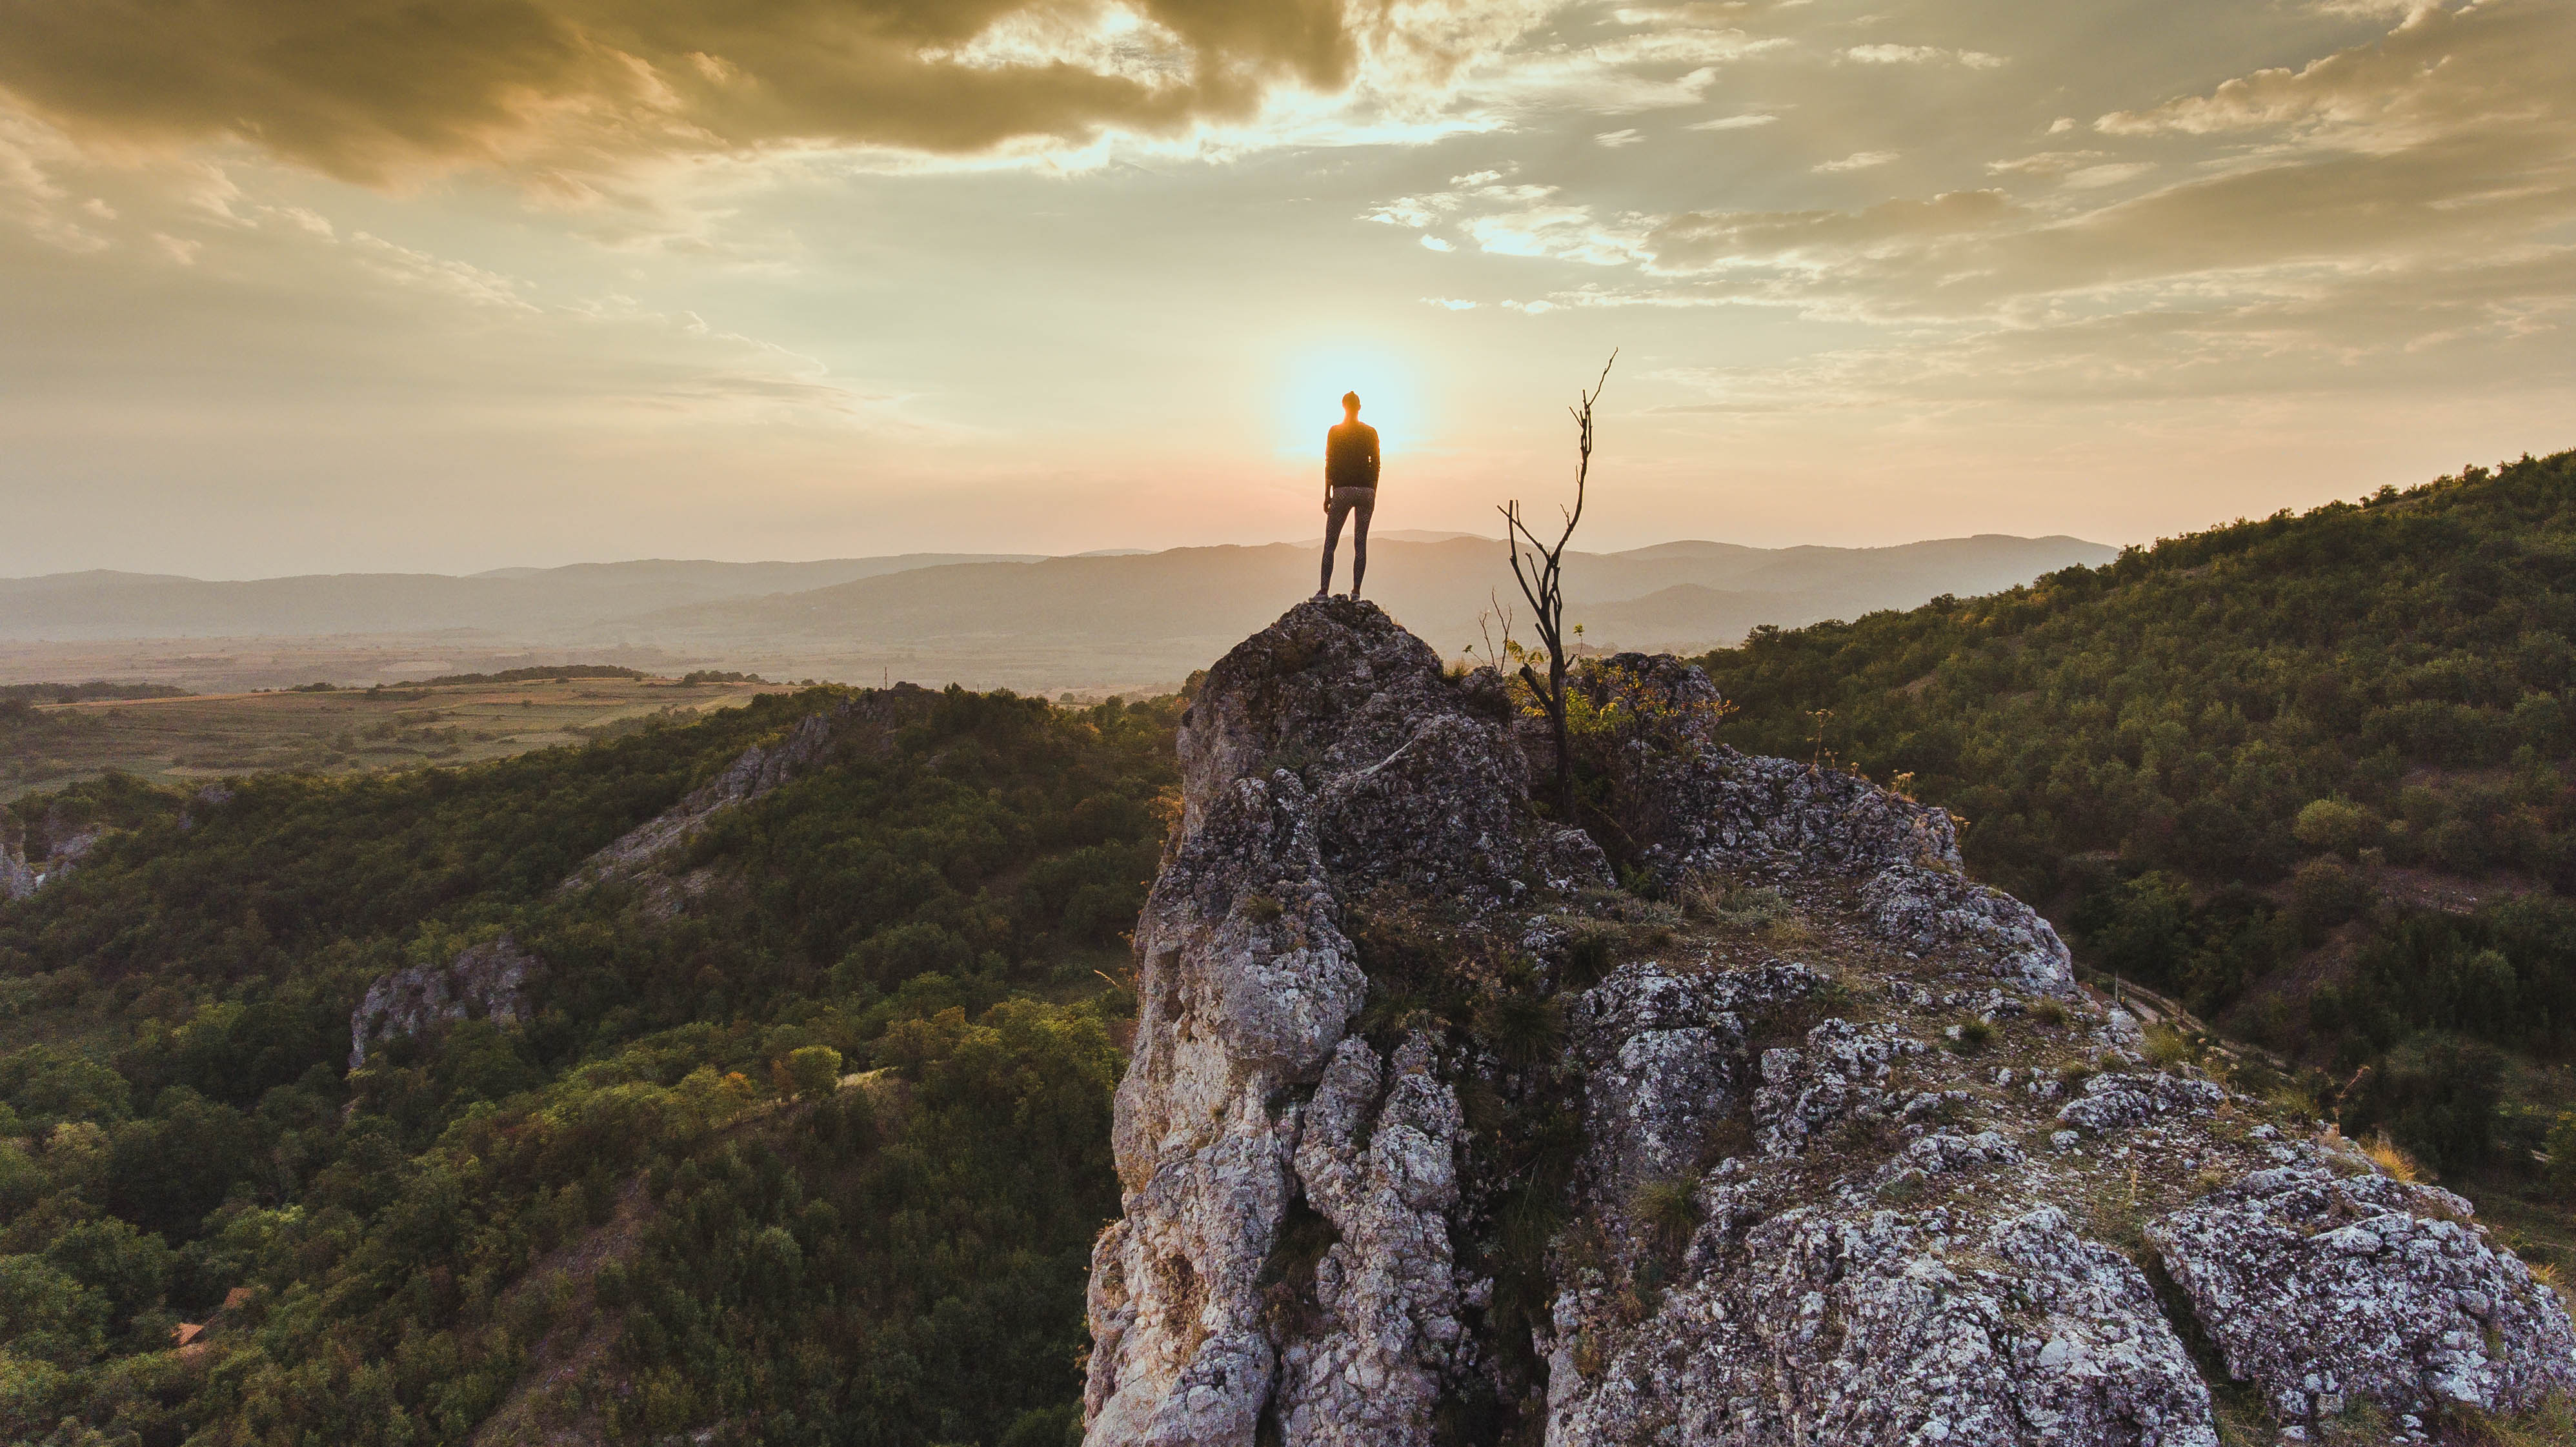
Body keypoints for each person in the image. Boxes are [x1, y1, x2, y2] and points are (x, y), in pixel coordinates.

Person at [1319, 390, 1380, 598]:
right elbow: (1376, 465)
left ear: (1343, 406)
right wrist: (1373, 492)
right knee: (1360, 542)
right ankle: (1356, 592)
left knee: (1331, 542)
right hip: (1366, 492)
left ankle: (1323, 591)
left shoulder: (1335, 432)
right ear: (1359, 408)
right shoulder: (1371, 432)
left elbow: (1330, 464)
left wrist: (1327, 495)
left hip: (1343, 490)